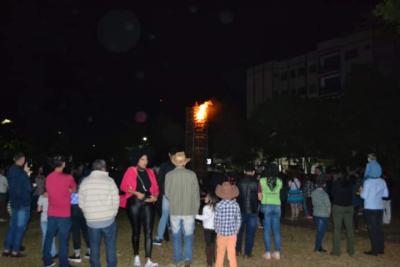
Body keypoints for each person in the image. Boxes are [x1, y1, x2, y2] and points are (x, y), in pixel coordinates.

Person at [120, 150, 159, 267]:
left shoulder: (150, 172)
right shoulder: (130, 170)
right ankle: (136, 256)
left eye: (146, 159)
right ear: (137, 160)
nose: (145, 162)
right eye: (142, 159)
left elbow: (156, 188)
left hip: (148, 202)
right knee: (136, 231)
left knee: (148, 232)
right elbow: (123, 186)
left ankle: (148, 260)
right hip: (134, 202)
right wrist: (136, 193)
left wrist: (155, 198)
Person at [79, 160, 119, 267]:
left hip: (92, 222)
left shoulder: (85, 181)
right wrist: (113, 213)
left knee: (94, 246)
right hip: (108, 220)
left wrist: (88, 215)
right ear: (104, 168)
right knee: (110, 245)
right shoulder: (109, 181)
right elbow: (116, 200)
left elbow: (81, 203)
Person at [165, 152, 200, 267]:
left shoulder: (169, 175)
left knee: (176, 235)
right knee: (188, 235)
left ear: (175, 162)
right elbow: (196, 194)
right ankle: (187, 258)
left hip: (175, 210)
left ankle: (177, 259)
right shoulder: (192, 174)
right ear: (184, 162)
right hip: (189, 210)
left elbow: (167, 194)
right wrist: (196, 209)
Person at [43, 155, 77, 267]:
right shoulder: (68, 178)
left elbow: (49, 191)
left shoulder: (48, 177)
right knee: (63, 239)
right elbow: (74, 189)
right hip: (64, 214)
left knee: (49, 237)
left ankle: (47, 261)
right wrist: (69, 190)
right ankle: (63, 264)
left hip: (52, 213)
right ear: (63, 164)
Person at [2, 152, 32, 258]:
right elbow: (29, 188)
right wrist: (27, 175)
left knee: (12, 227)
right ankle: (15, 251)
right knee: (20, 228)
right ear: (22, 160)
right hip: (23, 203)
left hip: (14, 202)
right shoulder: (22, 172)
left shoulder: (10, 170)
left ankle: (6, 249)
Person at [361, 166, 388, 256]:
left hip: (370, 208)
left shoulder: (368, 182)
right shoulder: (382, 181)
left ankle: (374, 251)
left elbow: (364, 196)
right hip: (379, 207)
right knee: (379, 228)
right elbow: (386, 194)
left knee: (372, 229)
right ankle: (380, 249)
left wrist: (361, 191)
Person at [153, 148, 178, 246]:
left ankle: (159, 237)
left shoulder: (164, 165)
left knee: (165, 216)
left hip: (167, 195)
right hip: (175, 195)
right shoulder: (179, 166)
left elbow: (159, 180)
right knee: (174, 215)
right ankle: (175, 234)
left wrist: (163, 193)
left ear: (169, 154)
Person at [259, 164, 283, 260]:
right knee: (276, 230)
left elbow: (259, 196)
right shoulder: (280, 181)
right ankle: (277, 253)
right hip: (277, 206)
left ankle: (268, 253)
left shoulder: (262, 181)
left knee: (267, 230)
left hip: (266, 205)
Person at [214, 182, 241, 267]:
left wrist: (217, 230)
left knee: (220, 253)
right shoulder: (236, 205)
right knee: (231, 253)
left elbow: (216, 220)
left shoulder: (219, 205)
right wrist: (236, 230)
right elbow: (239, 219)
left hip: (221, 234)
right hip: (232, 234)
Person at [69, 164, 91, 263]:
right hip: (83, 207)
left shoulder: (70, 180)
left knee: (76, 231)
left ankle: (77, 254)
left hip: (74, 208)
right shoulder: (85, 179)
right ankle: (89, 252)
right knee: (85, 230)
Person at [236, 164, 258, 258]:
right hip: (253, 211)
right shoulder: (257, 182)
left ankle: (237, 250)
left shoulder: (239, 182)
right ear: (253, 172)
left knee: (239, 231)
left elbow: (236, 195)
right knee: (250, 233)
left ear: (244, 171)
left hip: (240, 209)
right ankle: (247, 253)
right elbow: (260, 197)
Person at [331, 171, 354, 256]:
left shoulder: (336, 183)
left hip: (338, 207)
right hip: (349, 207)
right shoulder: (350, 183)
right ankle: (351, 250)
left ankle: (336, 251)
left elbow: (332, 194)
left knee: (337, 229)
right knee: (350, 229)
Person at [196, 192, 218, 267]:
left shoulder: (206, 208)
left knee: (208, 246)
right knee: (213, 244)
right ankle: (215, 258)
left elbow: (204, 217)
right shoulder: (216, 207)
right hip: (214, 229)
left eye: (207, 197)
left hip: (208, 230)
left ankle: (209, 263)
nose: (205, 198)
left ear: (210, 200)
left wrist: (194, 215)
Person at [311, 177, 331, 253]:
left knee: (319, 232)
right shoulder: (325, 194)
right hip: (323, 215)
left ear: (316, 185)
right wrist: (329, 214)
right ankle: (317, 248)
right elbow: (328, 206)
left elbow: (313, 203)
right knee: (321, 233)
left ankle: (319, 247)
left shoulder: (313, 193)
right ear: (324, 185)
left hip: (316, 214)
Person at [38, 192, 58, 258]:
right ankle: (52, 253)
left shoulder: (41, 196)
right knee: (52, 236)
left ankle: (48, 253)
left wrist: (42, 208)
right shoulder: (54, 194)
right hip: (52, 218)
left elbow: (38, 209)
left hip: (43, 218)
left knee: (45, 236)